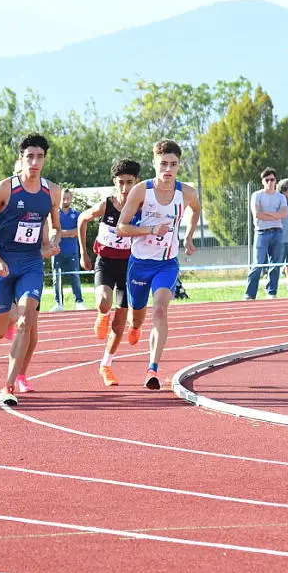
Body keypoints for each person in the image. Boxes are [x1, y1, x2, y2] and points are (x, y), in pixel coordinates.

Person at [0, 133, 61, 406]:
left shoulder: (52, 191)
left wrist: (53, 243)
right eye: (30, 157)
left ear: (45, 160)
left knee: (26, 319)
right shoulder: (4, 189)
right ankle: (9, 315)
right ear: (21, 159)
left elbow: (56, 225)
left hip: (32, 263)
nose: (34, 162)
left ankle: (9, 385)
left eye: (39, 157)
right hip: (3, 263)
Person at [117, 139, 200, 391]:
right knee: (138, 316)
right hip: (140, 263)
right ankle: (134, 325)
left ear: (179, 165)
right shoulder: (142, 190)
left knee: (160, 310)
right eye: (163, 163)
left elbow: (196, 210)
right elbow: (122, 227)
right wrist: (150, 228)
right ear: (155, 163)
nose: (168, 169)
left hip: (166, 264)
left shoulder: (186, 192)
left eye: (173, 164)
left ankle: (152, 368)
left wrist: (188, 236)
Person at [78, 159, 140, 386]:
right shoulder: (106, 205)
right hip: (105, 262)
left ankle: (106, 365)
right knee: (104, 302)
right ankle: (102, 315)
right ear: (115, 182)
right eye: (121, 183)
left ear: (137, 182)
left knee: (121, 320)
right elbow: (81, 219)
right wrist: (83, 253)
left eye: (129, 183)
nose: (125, 189)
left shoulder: (141, 207)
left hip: (129, 266)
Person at [243, 167, 288, 300]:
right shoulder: (257, 195)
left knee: (276, 265)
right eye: (267, 179)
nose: (270, 182)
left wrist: (267, 214)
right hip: (261, 233)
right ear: (262, 181)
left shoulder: (280, 197)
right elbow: (257, 214)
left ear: (276, 181)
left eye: (272, 179)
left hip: (277, 232)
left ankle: (271, 292)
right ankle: (250, 294)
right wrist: (275, 215)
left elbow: (284, 214)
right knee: (258, 264)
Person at [50, 188, 85, 311]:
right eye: (64, 198)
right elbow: (52, 231)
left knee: (74, 276)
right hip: (56, 250)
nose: (66, 200)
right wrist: (67, 233)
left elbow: (78, 232)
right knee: (57, 278)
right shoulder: (54, 213)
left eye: (68, 198)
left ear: (71, 199)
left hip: (72, 251)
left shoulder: (77, 214)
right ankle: (58, 303)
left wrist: (62, 233)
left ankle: (79, 301)